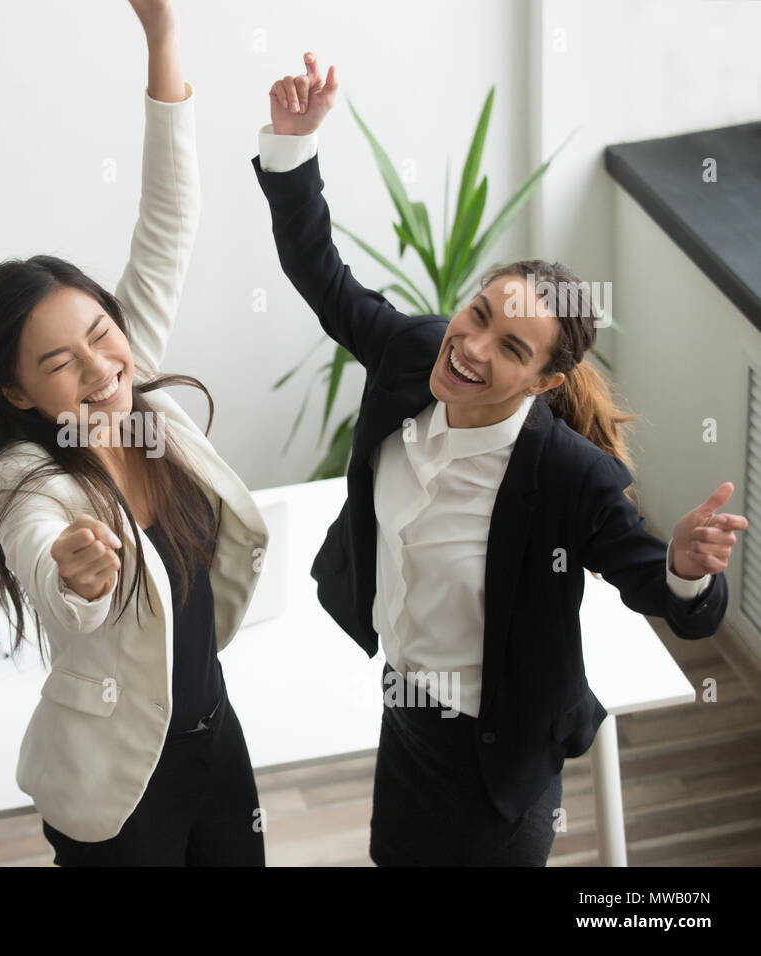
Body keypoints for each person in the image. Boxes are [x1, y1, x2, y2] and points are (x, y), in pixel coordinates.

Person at [253, 54, 743, 865]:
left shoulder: (569, 479)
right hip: (405, 712)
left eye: (510, 347)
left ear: (546, 381)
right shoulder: (415, 351)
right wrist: (294, 146)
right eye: (477, 314)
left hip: (499, 754)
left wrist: (689, 568)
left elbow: (660, 587)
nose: (470, 347)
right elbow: (322, 277)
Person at [0, 0, 267, 866]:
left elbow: (168, 222)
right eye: (60, 363)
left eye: (101, 333)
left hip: (213, 734)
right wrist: (74, 575)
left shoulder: (135, 395)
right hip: (122, 784)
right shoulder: (19, 478)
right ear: (15, 390)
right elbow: (45, 557)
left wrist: (162, 38)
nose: (99, 369)